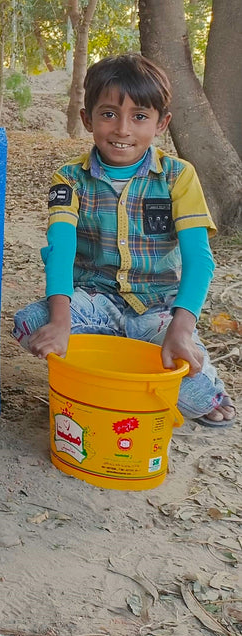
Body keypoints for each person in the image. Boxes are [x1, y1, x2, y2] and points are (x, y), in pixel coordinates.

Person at [13, 53, 235, 427]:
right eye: (109, 114)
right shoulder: (69, 178)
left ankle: (196, 375)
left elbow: (199, 259)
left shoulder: (177, 177)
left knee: (197, 401)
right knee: (30, 322)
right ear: (87, 119)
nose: (122, 130)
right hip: (95, 303)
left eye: (140, 116)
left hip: (156, 309)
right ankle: (111, 361)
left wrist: (180, 329)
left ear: (161, 123)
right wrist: (62, 321)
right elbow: (60, 248)